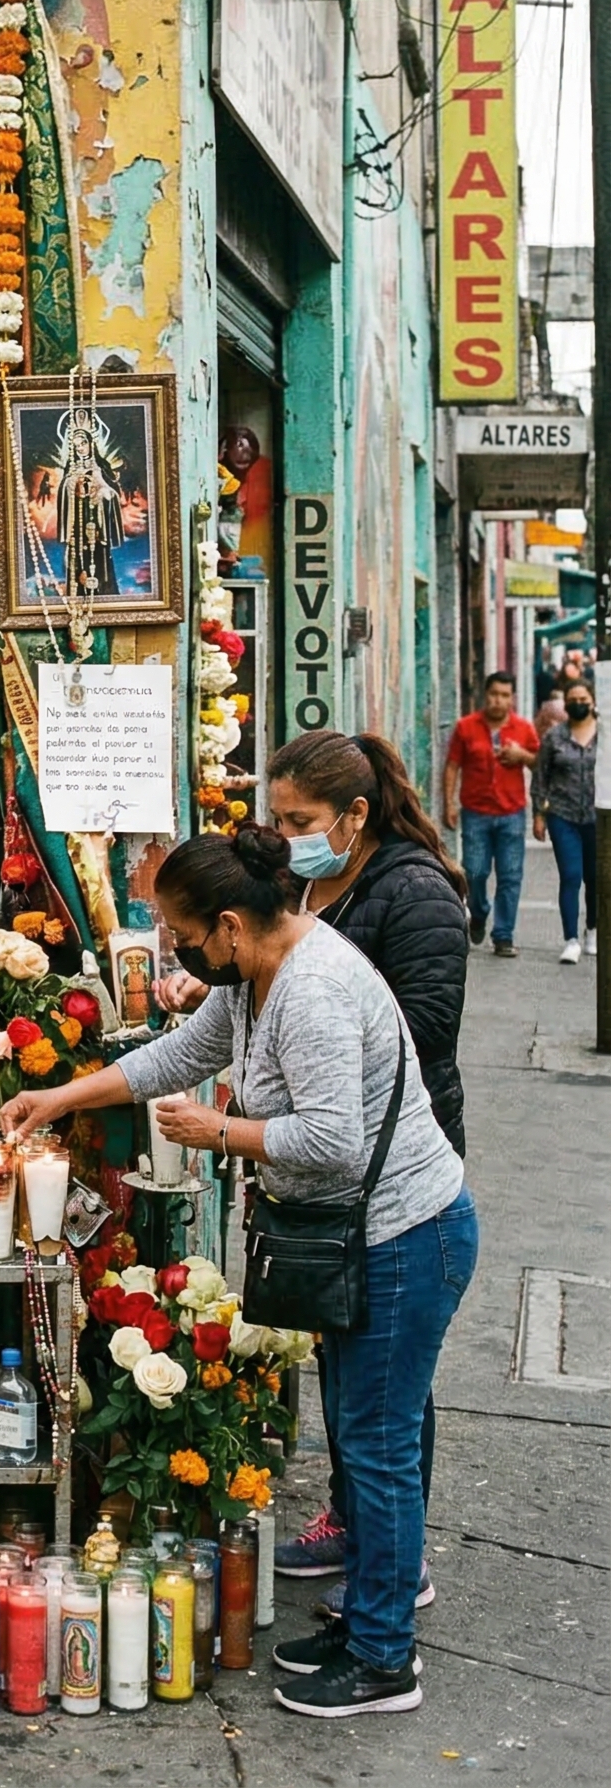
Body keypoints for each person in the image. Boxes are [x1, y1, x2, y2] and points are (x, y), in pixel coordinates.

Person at [4, 825, 474, 1719]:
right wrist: (65, 1093)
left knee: (377, 1444)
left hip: (407, 1234)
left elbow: (332, 1142)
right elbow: (177, 1056)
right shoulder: (255, 974)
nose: (177, 949)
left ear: (228, 923)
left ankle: (384, 1659)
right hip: (363, 1237)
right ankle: (368, 1624)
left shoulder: (314, 990)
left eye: (182, 933)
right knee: (360, 1433)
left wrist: (219, 1133)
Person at [251, 727, 469, 1597]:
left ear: (354, 814)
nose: (283, 833)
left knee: (387, 1386)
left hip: (398, 1162)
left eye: (298, 817)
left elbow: (428, 1022)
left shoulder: (413, 891)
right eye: (276, 816)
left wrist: (315, 1041)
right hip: (337, 1176)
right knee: (355, 1367)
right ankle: (364, 1531)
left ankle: (390, 1563)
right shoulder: (310, 878)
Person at [441, 671, 538, 955]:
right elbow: (452, 766)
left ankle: (504, 935)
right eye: (494, 694)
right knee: (474, 871)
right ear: (486, 695)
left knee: (510, 875)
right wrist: (449, 803)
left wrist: (524, 756)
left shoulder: (523, 729)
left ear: (512, 698)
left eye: (505, 695)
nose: (499, 700)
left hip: (512, 812)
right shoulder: (466, 727)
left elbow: (540, 766)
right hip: (476, 812)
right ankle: (480, 911)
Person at [532, 676, 599, 965]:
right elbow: (540, 775)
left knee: (595, 879)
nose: (579, 705)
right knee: (571, 876)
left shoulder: (606, 734)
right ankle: (570, 939)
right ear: (566, 704)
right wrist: (538, 813)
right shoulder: (555, 737)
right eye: (574, 700)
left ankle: (593, 930)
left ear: (593, 702)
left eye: (584, 700)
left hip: (599, 817)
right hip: (563, 815)